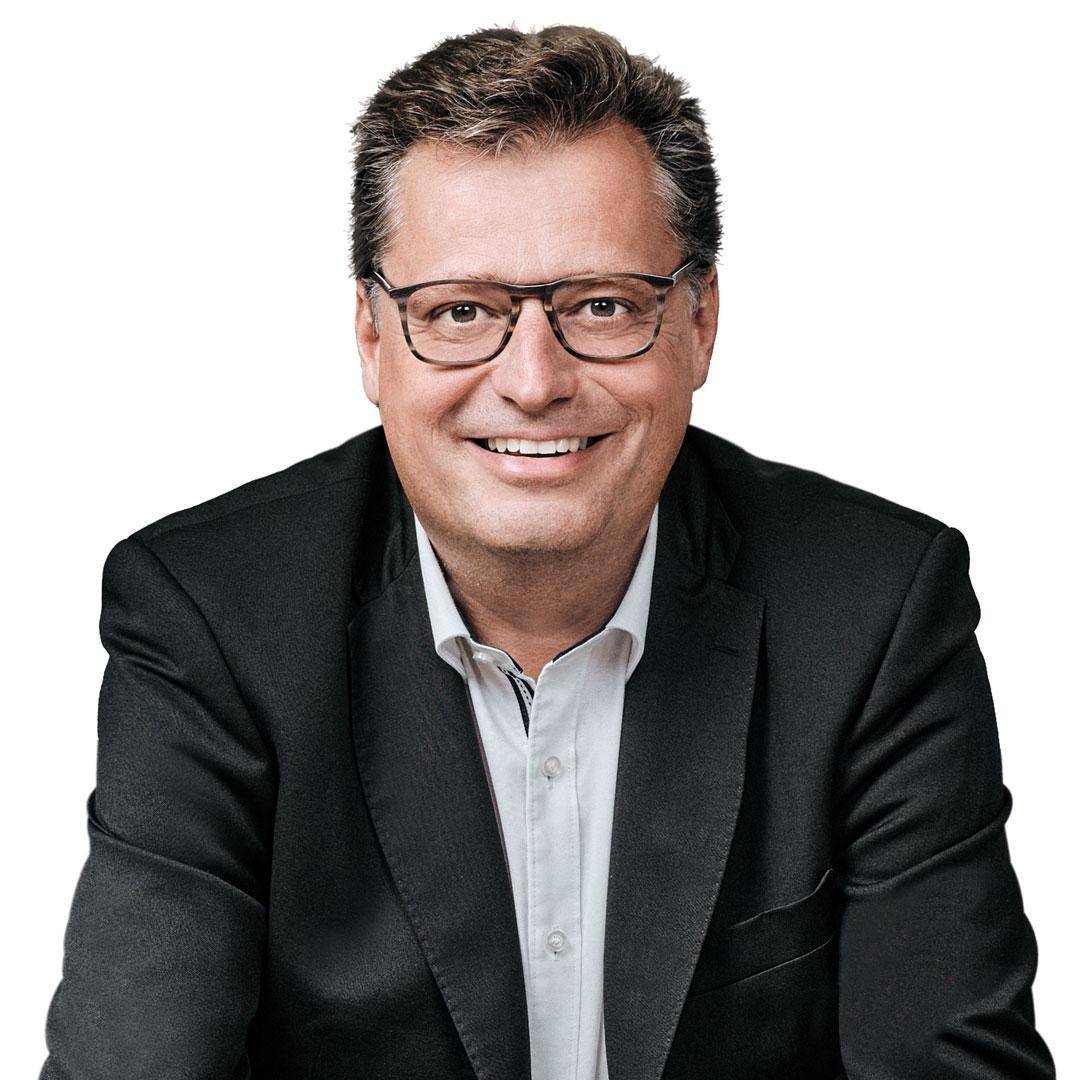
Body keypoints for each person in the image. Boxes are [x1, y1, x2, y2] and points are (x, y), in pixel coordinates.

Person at [39, 23, 1055, 1080]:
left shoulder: (876, 611)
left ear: (700, 323)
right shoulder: (212, 618)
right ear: (373, 339)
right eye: (460, 311)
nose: (533, 381)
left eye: (603, 305)